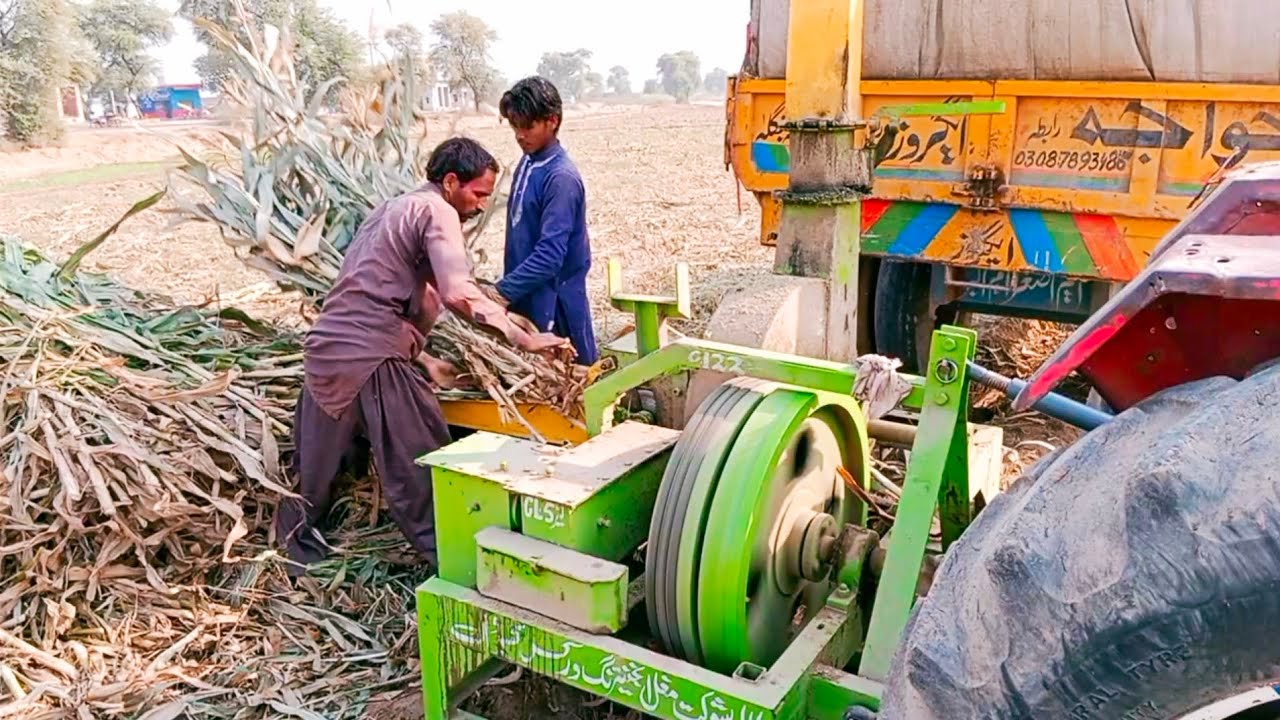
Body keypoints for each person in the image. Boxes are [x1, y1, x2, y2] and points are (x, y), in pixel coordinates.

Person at [276, 136, 569, 575]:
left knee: (317, 464)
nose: (479, 206)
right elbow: (456, 293)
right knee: (422, 459)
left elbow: (396, 292)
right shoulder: (437, 211)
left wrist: (425, 360)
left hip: (329, 349)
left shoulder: (392, 209)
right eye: (478, 194)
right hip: (369, 353)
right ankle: (456, 562)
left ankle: (291, 550)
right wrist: (522, 338)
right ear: (451, 182)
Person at [493, 76, 599, 366]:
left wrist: (499, 292)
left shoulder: (560, 178)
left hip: (556, 302)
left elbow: (550, 257)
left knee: (571, 383)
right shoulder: (528, 162)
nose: (519, 135)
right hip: (527, 296)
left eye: (527, 126)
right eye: (514, 126)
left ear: (552, 121)